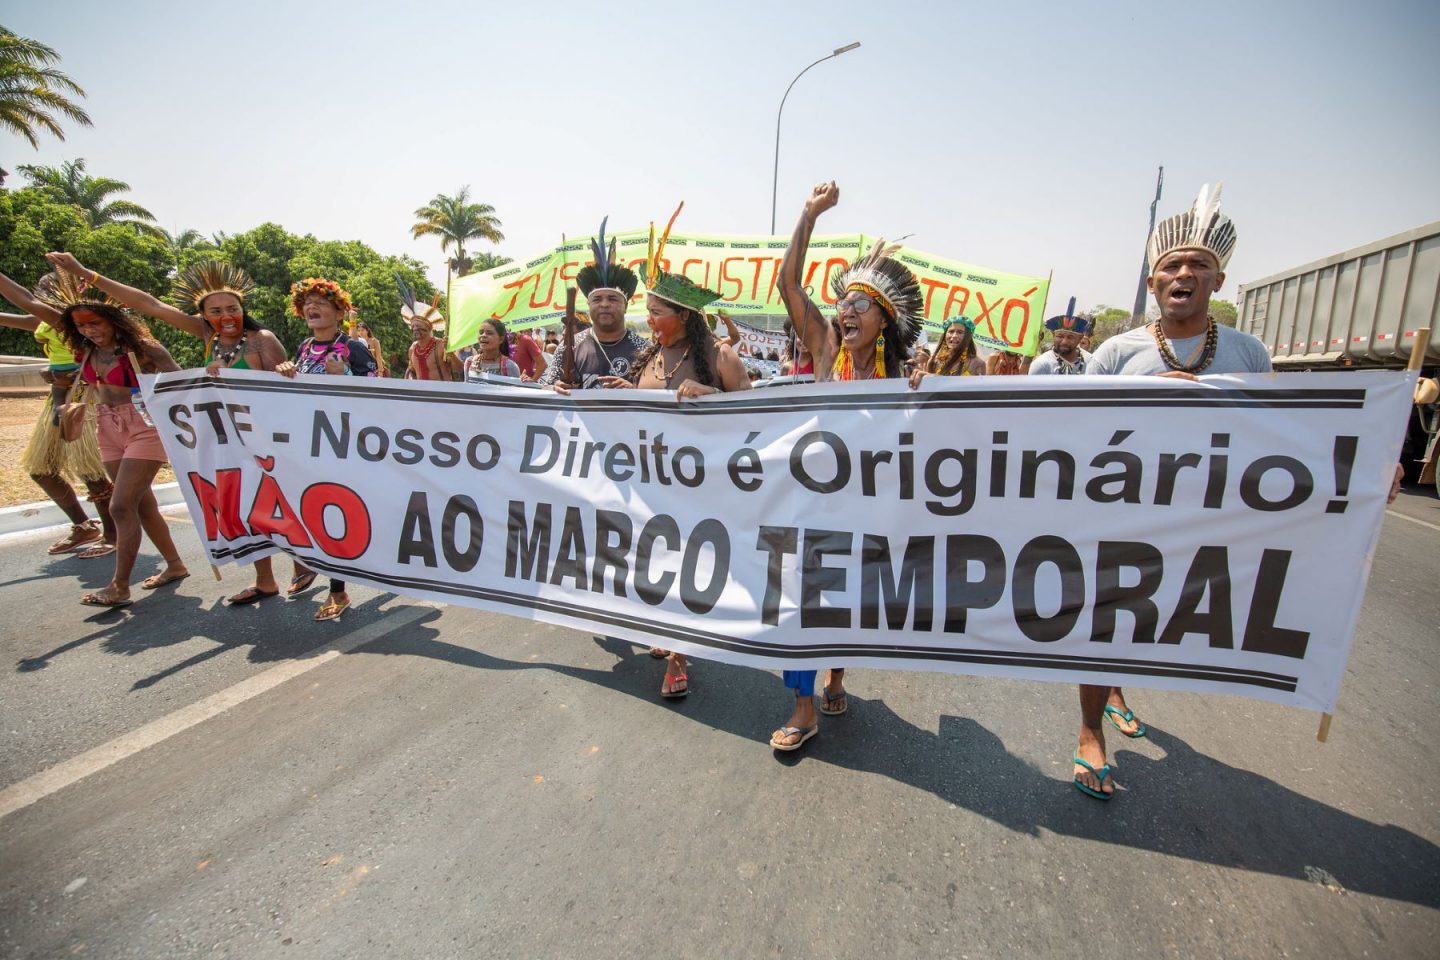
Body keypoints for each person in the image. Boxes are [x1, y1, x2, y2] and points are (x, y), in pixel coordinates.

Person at [44, 253, 316, 605]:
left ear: (242, 308)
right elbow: (148, 304)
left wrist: (285, 368)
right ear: (204, 317)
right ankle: (265, 581)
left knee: (279, 501)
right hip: (224, 437)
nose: (224, 316)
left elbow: (282, 378)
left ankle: (303, 561)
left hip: (264, 438)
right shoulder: (207, 337)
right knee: (244, 506)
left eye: (231, 308)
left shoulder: (261, 339)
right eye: (214, 311)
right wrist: (87, 274)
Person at [774, 180, 924, 750]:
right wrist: (808, 214)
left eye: (860, 304)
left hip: (871, 517)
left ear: (883, 319)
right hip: (812, 509)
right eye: (844, 303)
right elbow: (789, 283)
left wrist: (923, 396)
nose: (846, 311)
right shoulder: (822, 351)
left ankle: (839, 672)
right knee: (804, 603)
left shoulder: (900, 384)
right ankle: (804, 706)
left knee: (852, 605)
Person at [602, 211, 751, 699]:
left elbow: (757, 415)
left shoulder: (721, 358)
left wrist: (715, 398)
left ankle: (682, 655)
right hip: (651, 484)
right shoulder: (648, 356)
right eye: (647, 311)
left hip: (702, 488)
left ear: (683, 315)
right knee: (656, 561)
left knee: (691, 566)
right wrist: (623, 391)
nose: (649, 320)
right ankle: (668, 630)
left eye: (657, 312)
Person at [37, 272, 189, 607]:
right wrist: (61, 402)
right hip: (106, 425)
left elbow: (181, 383)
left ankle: (120, 586)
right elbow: (33, 309)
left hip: (145, 426)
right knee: (143, 504)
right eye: (81, 326)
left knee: (120, 506)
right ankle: (176, 565)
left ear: (114, 320)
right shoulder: (86, 351)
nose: (89, 331)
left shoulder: (144, 348)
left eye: (95, 323)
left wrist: (153, 387)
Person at [276, 277, 377, 620]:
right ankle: (310, 564)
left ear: (339, 311)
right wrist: (285, 371)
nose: (312, 307)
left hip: (342, 446)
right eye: (307, 303)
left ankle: (338, 591)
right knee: (310, 511)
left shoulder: (354, 347)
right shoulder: (305, 347)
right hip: (308, 445)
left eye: (320, 302)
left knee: (334, 514)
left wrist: (345, 374)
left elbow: (379, 394)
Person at [0, 271, 116, 558]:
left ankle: (113, 534)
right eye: (41, 289)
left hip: (84, 397)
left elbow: (25, 302)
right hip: (57, 398)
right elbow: (26, 316)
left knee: (91, 471)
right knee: (41, 468)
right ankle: (83, 526)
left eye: (50, 289)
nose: (43, 294)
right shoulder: (44, 320)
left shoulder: (72, 320)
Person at [538, 217, 649, 392]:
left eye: (613, 299)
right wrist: (555, 388)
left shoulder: (646, 350)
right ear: (589, 304)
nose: (604, 304)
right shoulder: (569, 347)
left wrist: (635, 390)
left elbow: (661, 396)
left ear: (625, 306)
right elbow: (546, 388)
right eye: (597, 299)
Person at [403, 294, 462, 381]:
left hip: (441, 393)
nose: (415, 328)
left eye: (418, 326)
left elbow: (460, 369)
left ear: (429, 327)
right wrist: (411, 380)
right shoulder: (413, 348)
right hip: (420, 393)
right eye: (413, 326)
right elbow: (411, 370)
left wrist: (451, 354)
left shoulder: (441, 345)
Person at [1028, 299, 1094, 375]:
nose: (1064, 341)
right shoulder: (1041, 365)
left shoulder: (1091, 363)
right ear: (1053, 335)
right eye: (1060, 336)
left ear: (1079, 338)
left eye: (1070, 337)